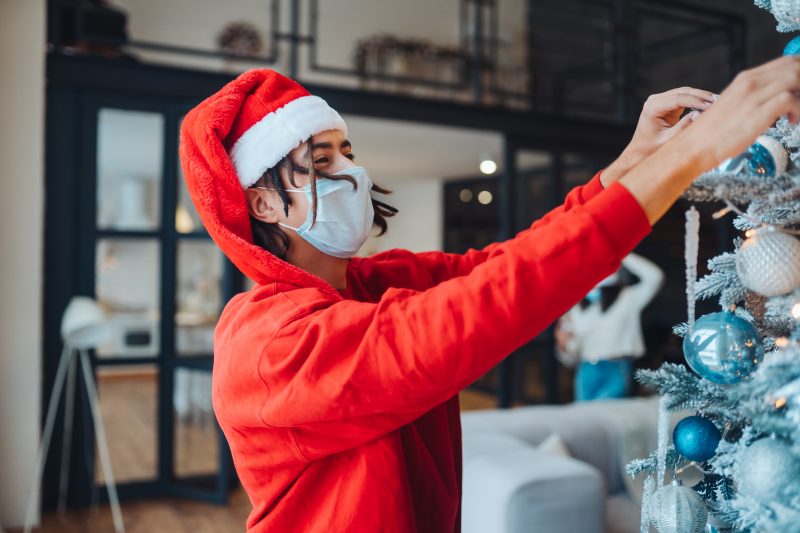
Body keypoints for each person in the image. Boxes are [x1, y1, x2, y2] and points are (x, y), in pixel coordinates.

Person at [178, 57, 800, 532]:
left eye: (349, 153)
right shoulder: (267, 342)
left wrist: (630, 166)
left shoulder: (375, 283)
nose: (351, 173)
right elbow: (473, 313)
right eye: (322, 159)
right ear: (261, 202)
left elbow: (506, 264)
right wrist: (688, 158)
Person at [555, 253, 663, 402]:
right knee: (583, 418)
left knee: (609, 417)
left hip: (616, 366)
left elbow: (655, 277)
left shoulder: (628, 297)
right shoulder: (578, 306)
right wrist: (563, 346)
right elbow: (570, 358)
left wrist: (620, 252)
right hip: (586, 368)